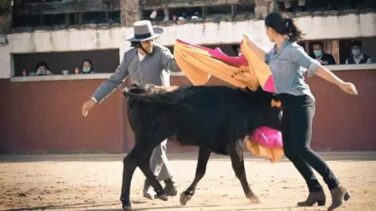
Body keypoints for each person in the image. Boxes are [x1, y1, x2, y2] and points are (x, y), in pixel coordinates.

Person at [244, 12, 357, 211]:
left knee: (302, 148)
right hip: (288, 104)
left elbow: (316, 67)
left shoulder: (293, 50)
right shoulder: (276, 51)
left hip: (302, 102)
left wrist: (341, 83)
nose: (266, 33)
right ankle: (315, 190)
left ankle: (336, 186)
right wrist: (249, 44)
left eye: (265, 30)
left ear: (271, 29)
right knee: (290, 149)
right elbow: (265, 58)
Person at [81, 20, 180, 201]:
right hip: (141, 111)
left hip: (163, 106)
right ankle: (170, 183)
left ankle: (150, 184)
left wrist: (183, 58)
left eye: (152, 40)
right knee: (148, 145)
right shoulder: (128, 57)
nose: (151, 44)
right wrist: (94, 99)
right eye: (146, 41)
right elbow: (114, 80)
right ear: (137, 43)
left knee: (158, 144)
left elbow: (174, 65)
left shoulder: (161, 52)